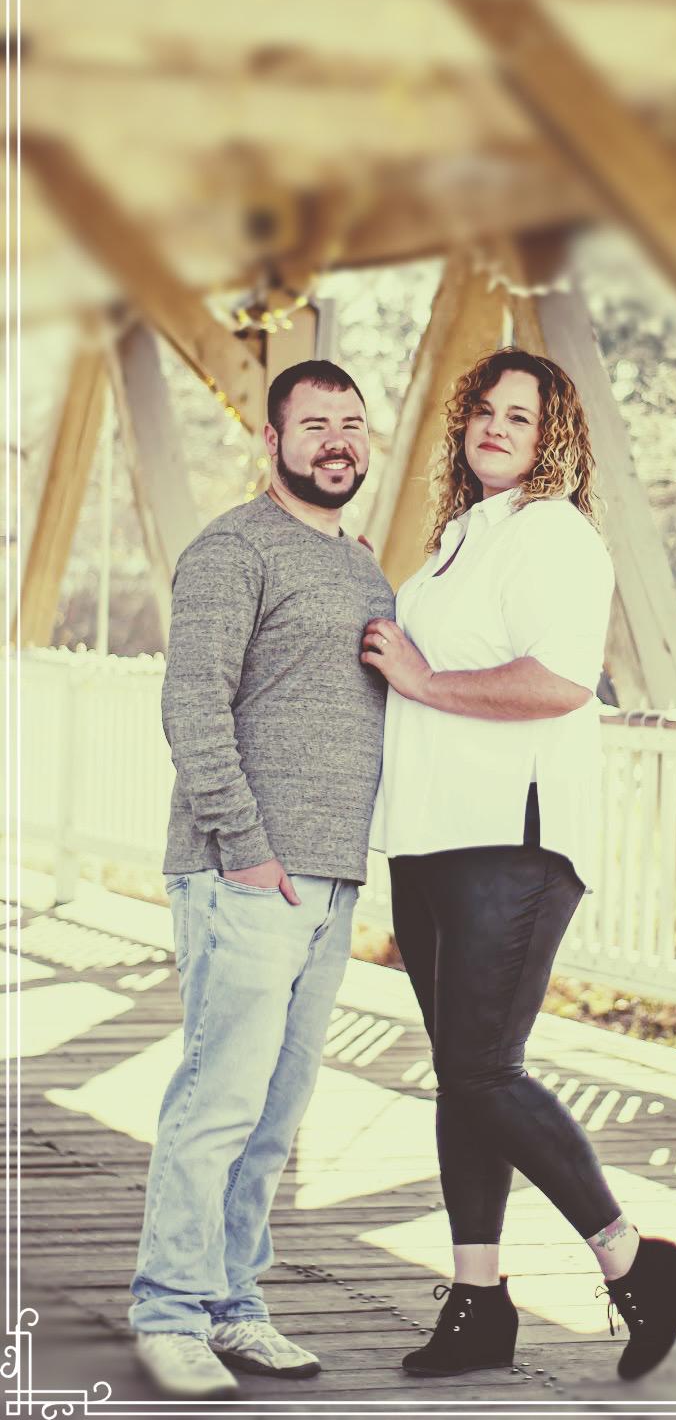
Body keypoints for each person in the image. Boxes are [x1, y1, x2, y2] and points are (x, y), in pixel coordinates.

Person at [364, 347, 676, 1383]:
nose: (497, 426)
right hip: (430, 836)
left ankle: (635, 1262)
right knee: (462, 1079)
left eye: (521, 414)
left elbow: (558, 680)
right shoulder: (460, 538)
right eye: (484, 409)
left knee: (483, 1071)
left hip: (511, 841)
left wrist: (422, 680)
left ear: (552, 436)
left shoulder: (556, 536)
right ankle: (478, 1302)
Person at [131, 360, 396, 1398]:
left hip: (329, 880)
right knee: (218, 1103)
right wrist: (245, 847)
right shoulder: (232, 549)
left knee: (276, 1116)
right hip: (243, 874)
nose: (338, 440)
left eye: (353, 423)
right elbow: (192, 707)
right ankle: (169, 1312)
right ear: (274, 440)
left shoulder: (362, 568)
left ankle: (236, 1303)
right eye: (315, 422)